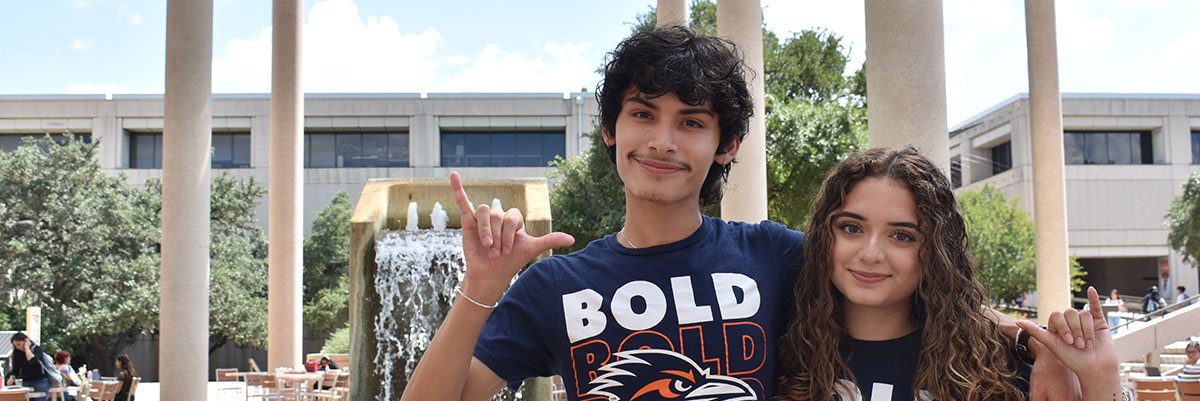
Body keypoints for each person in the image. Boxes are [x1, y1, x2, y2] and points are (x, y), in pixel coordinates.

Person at [402, 25, 1082, 401]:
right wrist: (482, 289)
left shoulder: (774, 253)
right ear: (611, 129)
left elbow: (907, 283)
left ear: (725, 143)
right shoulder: (556, 286)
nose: (663, 140)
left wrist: (1031, 344)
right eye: (643, 114)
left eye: (690, 122)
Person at [774, 148, 1122, 401]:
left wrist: (1101, 379)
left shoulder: (991, 368)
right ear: (824, 237)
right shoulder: (781, 359)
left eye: (902, 236)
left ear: (937, 253)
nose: (870, 253)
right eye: (851, 228)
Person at [6, 332, 49, 401]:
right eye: (15, 345)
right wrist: (12, 377)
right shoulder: (17, 352)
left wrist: (26, 348)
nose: (18, 347)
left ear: (26, 341)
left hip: (40, 381)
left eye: (19, 344)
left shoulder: (36, 349)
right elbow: (16, 368)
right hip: (26, 381)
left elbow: (32, 360)